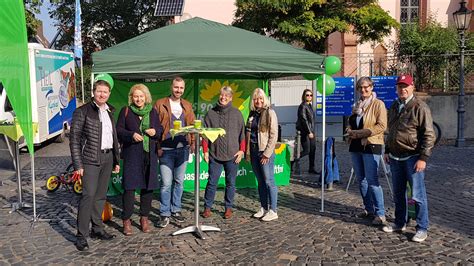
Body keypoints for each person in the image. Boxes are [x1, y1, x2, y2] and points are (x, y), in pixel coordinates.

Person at [69, 73, 120, 251]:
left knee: (100, 197)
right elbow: (74, 139)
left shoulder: (109, 111)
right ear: (93, 92)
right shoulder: (82, 111)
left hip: (107, 158)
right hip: (90, 159)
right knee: (88, 196)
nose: (102, 95)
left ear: (109, 93)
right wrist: (78, 165)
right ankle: (81, 235)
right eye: (99, 91)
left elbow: (113, 137)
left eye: (105, 92)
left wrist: (116, 159)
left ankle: (97, 229)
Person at [382, 74, 435, 242]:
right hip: (395, 157)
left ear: (412, 87)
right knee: (398, 193)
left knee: (418, 195)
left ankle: (422, 227)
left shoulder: (420, 107)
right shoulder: (395, 105)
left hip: (412, 157)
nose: (402, 89)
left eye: (405, 86)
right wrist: (387, 150)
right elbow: (391, 130)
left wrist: (423, 158)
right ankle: (400, 222)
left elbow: (429, 134)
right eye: (400, 86)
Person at [116, 84, 163, 235]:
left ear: (146, 97)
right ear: (132, 97)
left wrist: (155, 131)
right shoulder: (126, 111)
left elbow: (160, 130)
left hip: (150, 154)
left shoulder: (153, 112)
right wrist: (131, 135)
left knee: (148, 187)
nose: (138, 99)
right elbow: (118, 130)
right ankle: (127, 220)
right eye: (136, 96)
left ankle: (144, 218)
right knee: (129, 188)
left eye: (141, 96)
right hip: (132, 155)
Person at [154, 77, 196, 228]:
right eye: (176, 87)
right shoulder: (160, 104)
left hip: (182, 149)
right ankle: (164, 213)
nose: (178, 90)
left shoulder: (187, 105)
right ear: (171, 87)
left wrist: (192, 143)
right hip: (165, 149)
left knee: (179, 182)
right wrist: (157, 146)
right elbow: (156, 127)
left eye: (181, 88)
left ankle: (176, 210)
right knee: (166, 183)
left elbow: (192, 125)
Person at [346, 77, 387, 225]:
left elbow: (382, 126)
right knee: (361, 180)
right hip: (355, 145)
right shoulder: (357, 105)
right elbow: (351, 123)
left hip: (371, 145)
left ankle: (380, 213)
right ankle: (369, 209)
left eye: (366, 87)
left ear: (371, 87)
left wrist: (363, 132)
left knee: (372, 180)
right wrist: (349, 130)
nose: (363, 90)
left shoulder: (378, 104)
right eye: (360, 88)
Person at [201, 86, 245, 219]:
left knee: (230, 183)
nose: (223, 97)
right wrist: (205, 151)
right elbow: (205, 134)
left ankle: (228, 208)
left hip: (232, 156)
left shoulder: (237, 113)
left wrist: (242, 150)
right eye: (221, 95)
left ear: (231, 98)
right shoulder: (211, 113)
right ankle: (207, 207)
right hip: (215, 154)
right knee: (212, 182)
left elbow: (242, 134)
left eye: (227, 95)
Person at [246, 88, 279, 222]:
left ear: (264, 99)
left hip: (264, 152)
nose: (258, 101)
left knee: (269, 181)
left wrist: (266, 153)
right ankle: (264, 207)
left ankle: (273, 210)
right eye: (255, 99)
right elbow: (248, 133)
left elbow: (273, 135)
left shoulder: (270, 112)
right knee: (260, 182)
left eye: (260, 98)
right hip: (254, 151)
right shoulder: (252, 114)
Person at [296, 89, 318, 174]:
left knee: (313, 150)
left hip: (311, 131)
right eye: (307, 95)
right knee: (307, 150)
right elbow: (304, 120)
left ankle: (311, 168)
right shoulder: (303, 106)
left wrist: (312, 131)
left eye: (311, 95)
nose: (309, 97)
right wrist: (309, 132)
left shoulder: (310, 106)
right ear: (304, 96)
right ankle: (293, 161)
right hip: (305, 132)